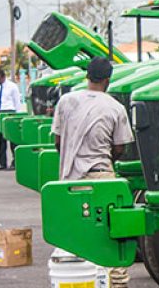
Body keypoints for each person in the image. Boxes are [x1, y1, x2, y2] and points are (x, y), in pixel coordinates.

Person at [52, 57, 134, 288]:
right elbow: (120, 147)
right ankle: (116, 283)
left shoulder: (66, 102)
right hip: (102, 178)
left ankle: (78, 280)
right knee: (111, 234)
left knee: (74, 235)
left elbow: (58, 141)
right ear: (108, 80)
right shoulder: (115, 107)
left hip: (69, 180)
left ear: (87, 76)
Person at [0, 69, 22, 171]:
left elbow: (17, 101)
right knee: (1, 139)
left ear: (4, 77)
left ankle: (15, 162)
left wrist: (17, 115)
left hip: (10, 111)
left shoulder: (12, 86)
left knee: (12, 138)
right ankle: (2, 163)